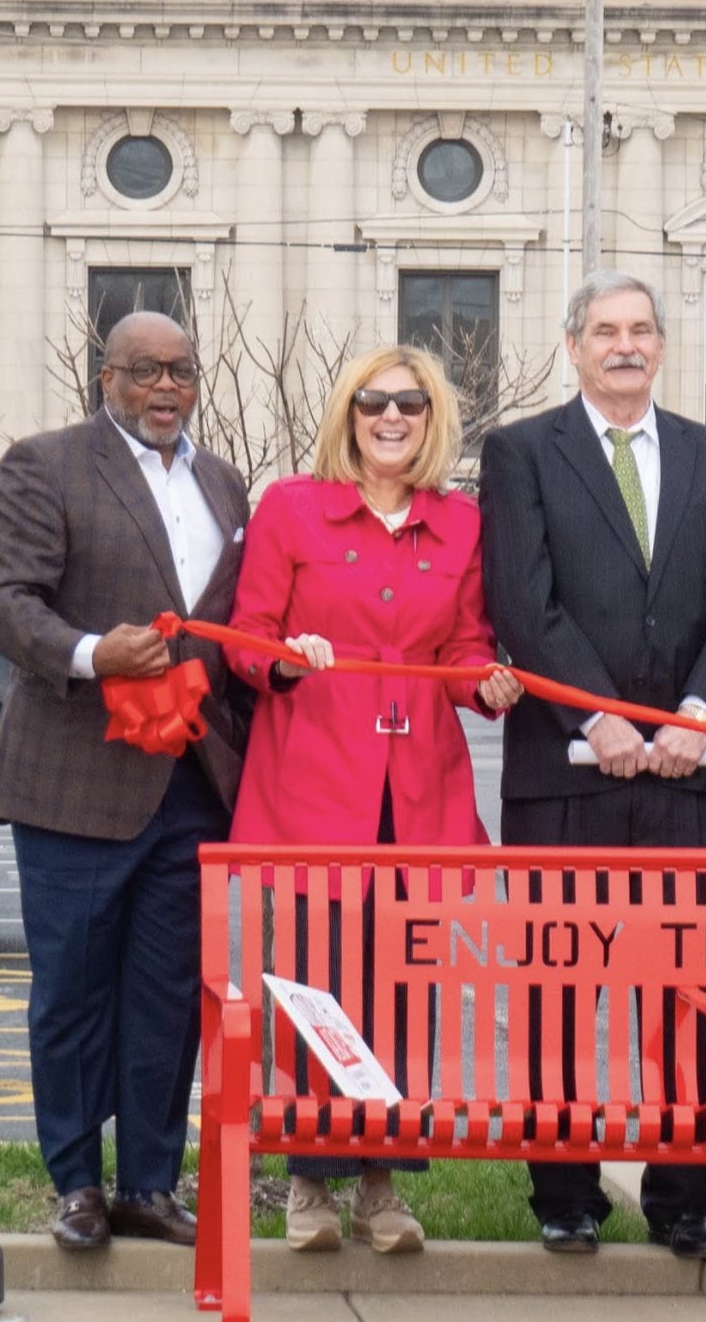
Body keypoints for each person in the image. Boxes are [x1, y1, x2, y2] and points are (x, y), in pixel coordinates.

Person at [479, 271, 706, 1261]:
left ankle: (684, 1201)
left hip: (686, 778)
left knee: (686, 996)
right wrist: (598, 715)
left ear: (660, 345)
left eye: (641, 329)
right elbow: (523, 601)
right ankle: (563, 1194)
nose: (625, 344)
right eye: (605, 330)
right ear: (573, 346)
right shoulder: (521, 453)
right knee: (559, 993)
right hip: (567, 772)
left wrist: (697, 714)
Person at [222, 344, 521, 1254]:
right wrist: (280, 657)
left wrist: (487, 685)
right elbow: (245, 635)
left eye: (411, 404)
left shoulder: (460, 522)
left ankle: (382, 1184)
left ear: (434, 422)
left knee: (400, 996)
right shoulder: (291, 507)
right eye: (372, 402)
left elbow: (464, 648)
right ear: (346, 415)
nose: (391, 417)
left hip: (417, 795)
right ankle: (309, 1184)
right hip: (313, 790)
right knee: (314, 990)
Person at [0, 311, 251, 1250]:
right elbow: (4, 603)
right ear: (106, 377)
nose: (166, 388)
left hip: (192, 781)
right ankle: (77, 1185)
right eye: (145, 371)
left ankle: (148, 1185)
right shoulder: (45, 464)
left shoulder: (222, 481)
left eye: (181, 371)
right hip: (76, 782)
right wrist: (94, 654)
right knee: (73, 993)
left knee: (166, 999)